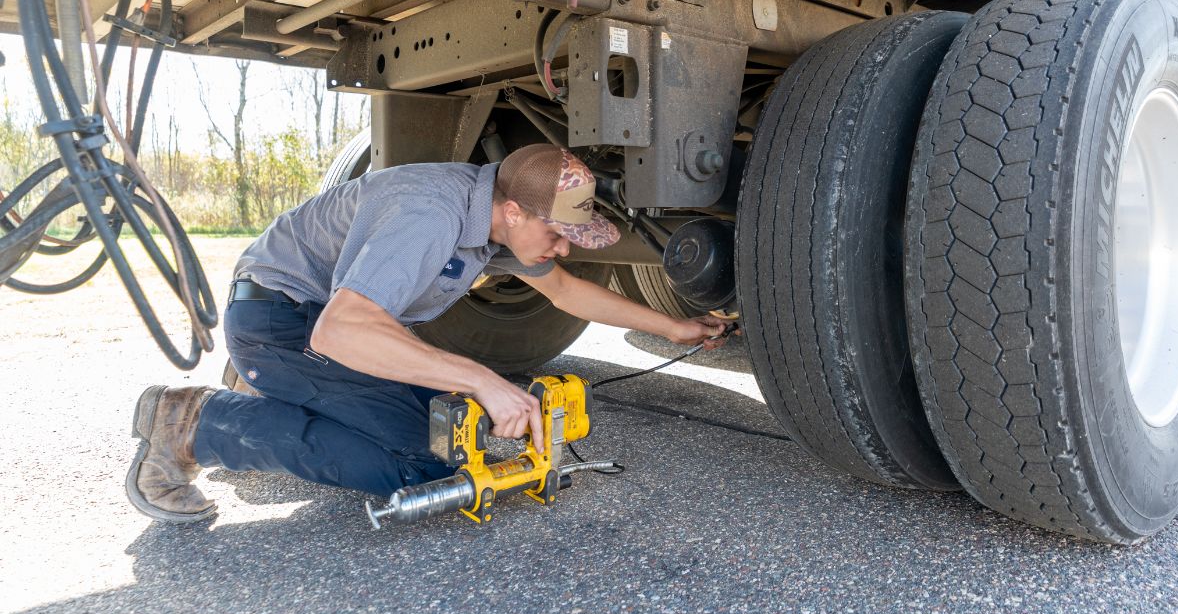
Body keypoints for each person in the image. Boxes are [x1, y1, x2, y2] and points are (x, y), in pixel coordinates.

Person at [125, 144, 727, 522]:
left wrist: (675, 326)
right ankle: (194, 425)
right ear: (513, 210)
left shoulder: (495, 213)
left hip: (320, 322)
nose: (563, 245)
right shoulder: (430, 212)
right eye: (558, 231)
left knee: (454, 429)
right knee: (424, 462)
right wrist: (485, 379)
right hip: (286, 321)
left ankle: (279, 385)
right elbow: (343, 329)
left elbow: (566, 290)